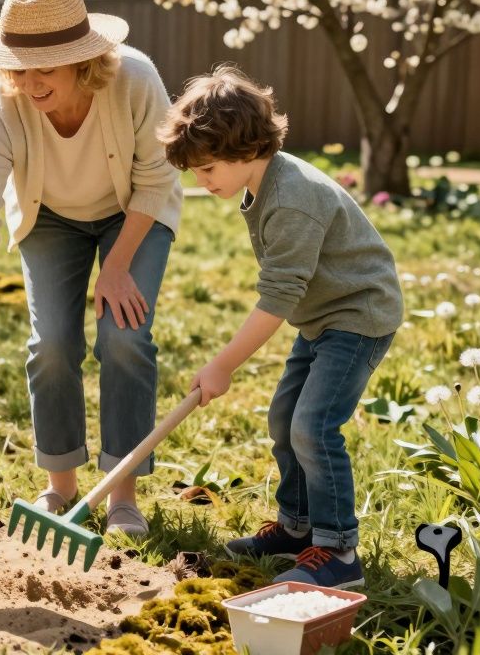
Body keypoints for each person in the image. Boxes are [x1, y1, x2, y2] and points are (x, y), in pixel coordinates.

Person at [0, 0, 184, 538]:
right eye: (17, 68)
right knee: (53, 343)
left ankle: (121, 496)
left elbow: (158, 177)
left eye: (46, 69)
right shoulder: (1, 110)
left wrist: (116, 267)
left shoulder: (134, 79)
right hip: (51, 218)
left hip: (132, 211)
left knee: (124, 335)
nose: (29, 83)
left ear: (82, 64)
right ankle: (60, 488)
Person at [158, 65, 403, 588]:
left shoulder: (291, 197)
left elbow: (278, 295)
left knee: (313, 427)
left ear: (243, 148)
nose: (201, 182)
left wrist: (222, 364)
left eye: (205, 169)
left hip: (357, 316)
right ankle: (298, 528)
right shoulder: (265, 181)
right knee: (284, 420)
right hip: (322, 317)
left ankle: (338, 552)